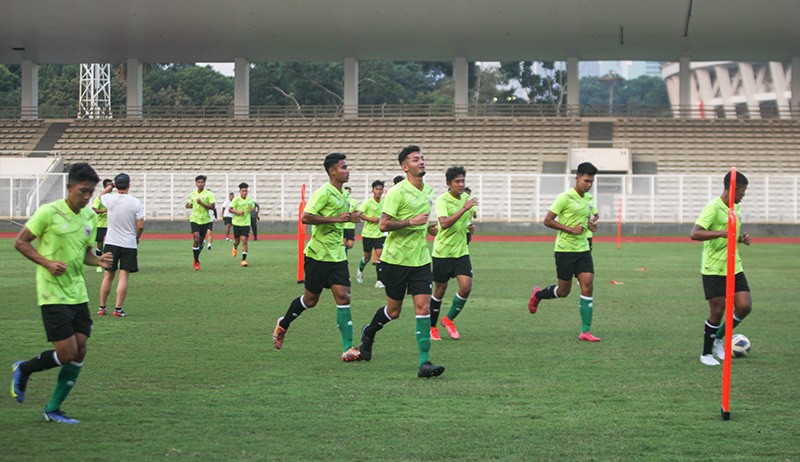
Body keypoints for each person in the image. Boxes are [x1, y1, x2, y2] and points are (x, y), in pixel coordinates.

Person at [11, 163, 112, 424]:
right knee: (67, 353)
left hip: (78, 293)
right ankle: (24, 368)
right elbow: (21, 242)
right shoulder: (48, 212)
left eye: (91, 192)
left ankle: (52, 409)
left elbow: (86, 255)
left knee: (80, 350)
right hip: (52, 293)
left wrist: (98, 260)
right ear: (69, 188)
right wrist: (47, 263)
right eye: (83, 191)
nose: (87, 197)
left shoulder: (89, 217)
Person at [359, 145, 445, 378]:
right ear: (405, 166)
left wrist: (430, 228)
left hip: (420, 261)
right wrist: (411, 222)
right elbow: (384, 225)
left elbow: (422, 223)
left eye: (423, 158)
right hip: (395, 260)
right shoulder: (397, 192)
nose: (421, 162)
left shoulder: (429, 191)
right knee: (394, 311)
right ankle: (370, 331)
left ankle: (424, 362)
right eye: (416, 159)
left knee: (423, 308)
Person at [272, 153, 364, 362]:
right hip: (318, 255)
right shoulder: (323, 192)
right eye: (343, 167)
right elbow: (306, 217)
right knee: (310, 300)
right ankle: (283, 323)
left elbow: (342, 218)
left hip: (337, 256)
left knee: (344, 297)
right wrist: (336, 218)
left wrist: (352, 217)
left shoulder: (343, 195)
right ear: (332, 171)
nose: (347, 170)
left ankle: (348, 349)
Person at [527, 162, 601, 342]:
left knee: (588, 285)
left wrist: (592, 223)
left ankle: (585, 331)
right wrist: (570, 229)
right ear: (577, 178)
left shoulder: (589, 199)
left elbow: (594, 215)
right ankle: (538, 295)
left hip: (584, 249)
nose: (589, 184)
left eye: (591, 181)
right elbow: (548, 220)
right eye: (586, 181)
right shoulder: (564, 197)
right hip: (565, 251)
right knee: (563, 291)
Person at [690, 171, 752, 366]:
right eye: (742, 191)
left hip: (734, 265)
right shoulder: (713, 208)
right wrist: (720, 233)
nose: (743, 195)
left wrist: (741, 239)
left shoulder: (737, 208)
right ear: (732, 189)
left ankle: (719, 338)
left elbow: (732, 234)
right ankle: (706, 353)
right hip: (713, 267)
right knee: (718, 310)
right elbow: (695, 233)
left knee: (744, 306)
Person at [429, 166, 478, 341]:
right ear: (448, 184)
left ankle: (448, 319)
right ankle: (432, 327)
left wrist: (471, 228)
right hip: (443, 252)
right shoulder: (442, 200)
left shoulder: (466, 198)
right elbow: (444, 223)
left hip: (461, 252)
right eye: (457, 181)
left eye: (463, 181)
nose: (461, 184)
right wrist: (464, 209)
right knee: (440, 290)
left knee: (466, 287)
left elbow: (469, 221)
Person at [97, 173, 145, 318]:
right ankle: (118, 309)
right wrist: (136, 237)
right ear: (129, 184)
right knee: (123, 275)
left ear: (116, 185)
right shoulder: (136, 202)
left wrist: (110, 187)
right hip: (128, 243)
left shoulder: (109, 199)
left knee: (108, 275)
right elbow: (141, 225)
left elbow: (100, 196)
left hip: (111, 242)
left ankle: (102, 308)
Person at [357, 180, 385, 288]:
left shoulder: (385, 202)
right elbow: (359, 214)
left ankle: (380, 281)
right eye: (376, 189)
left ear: (383, 190)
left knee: (380, 255)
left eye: (380, 189)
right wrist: (371, 219)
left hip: (379, 233)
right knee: (367, 258)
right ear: (372, 190)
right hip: (368, 234)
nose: (378, 191)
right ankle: (360, 269)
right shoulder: (367, 202)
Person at [185, 175, 216, 271]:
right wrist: (188, 205)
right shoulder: (193, 194)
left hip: (205, 220)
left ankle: (199, 250)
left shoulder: (209, 194)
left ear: (204, 183)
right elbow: (192, 205)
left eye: (202, 182)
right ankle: (196, 261)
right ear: (196, 183)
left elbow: (213, 207)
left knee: (201, 242)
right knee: (196, 239)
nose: (200, 184)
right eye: (198, 182)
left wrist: (202, 204)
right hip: (194, 219)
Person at [230, 182, 256, 267]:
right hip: (236, 223)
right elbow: (230, 210)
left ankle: (244, 260)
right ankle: (235, 246)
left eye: (246, 191)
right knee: (237, 241)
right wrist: (238, 212)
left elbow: (253, 209)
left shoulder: (250, 200)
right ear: (240, 191)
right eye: (243, 191)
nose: (245, 193)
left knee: (244, 240)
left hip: (246, 223)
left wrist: (252, 209)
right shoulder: (236, 200)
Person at [91, 179, 113, 272]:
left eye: (111, 186)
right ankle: (98, 264)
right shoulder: (99, 198)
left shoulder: (113, 197)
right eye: (108, 186)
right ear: (105, 187)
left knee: (110, 244)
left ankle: (108, 263)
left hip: (111, 224)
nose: (110, 188)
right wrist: (105, 211)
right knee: (99, 243)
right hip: (100, 224)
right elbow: (94, 209)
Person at [342, 186, 359, 254]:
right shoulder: (341, 200)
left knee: (350, 245)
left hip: (351, 226)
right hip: (343, 226)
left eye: (349, 191)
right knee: (343, 244)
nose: (348, 193)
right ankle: (344, 259)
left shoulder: (354, 201)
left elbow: (356, 212)